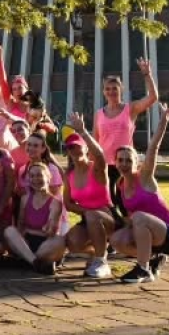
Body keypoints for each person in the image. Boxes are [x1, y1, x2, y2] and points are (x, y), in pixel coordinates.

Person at [111, 107, 169, 283]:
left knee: (138, 217)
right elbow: (129, 219)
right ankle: (154, 259)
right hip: (150, 234)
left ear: (137, 163)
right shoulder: (120, 186)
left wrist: (163, 122)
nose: (124, 163)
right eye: (120, 160)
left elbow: (153, 147)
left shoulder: (144, 178)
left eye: (129, 160)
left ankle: (143, 269)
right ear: (115, 162)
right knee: (117, 240)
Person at [93, 58, 159, 197]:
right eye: (107, 89)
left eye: (114, 88)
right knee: (108, 200)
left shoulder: (130, 109)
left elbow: (153, 97)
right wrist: (91, 163)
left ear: (121, 89)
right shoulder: (98, 114)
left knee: (126, 201)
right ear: (103, 91)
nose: (111, 92)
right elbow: (95, 140)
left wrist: (147, 75)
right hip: (105, 165)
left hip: (125, 163)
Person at [62, 113, 116, 280]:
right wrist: (86, 212)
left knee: (93, 216)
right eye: (71, 147)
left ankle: (102, 262)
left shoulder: (97, 169)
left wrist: (84, 132)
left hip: (108, 217)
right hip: (89, 218)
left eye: (78, 146)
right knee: (72, 241)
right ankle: (96, 253)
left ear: (86, 148)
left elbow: (100, 155)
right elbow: (68, 203)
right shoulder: (69, 175)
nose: (75, 150)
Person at [2, 163, 63, 275]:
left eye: (39, 175)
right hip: (27, 243)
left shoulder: (55, 202)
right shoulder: (25, 199)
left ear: (48, 177)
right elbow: (20, 225)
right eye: (32, 176)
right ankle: (36, 263)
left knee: (60, 240)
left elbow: (50, 232)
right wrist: (24, 234)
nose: (35, 179)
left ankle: (25, 261)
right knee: (9, 230)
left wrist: (29, 230)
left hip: (45, 244)